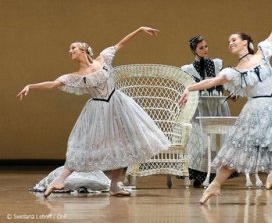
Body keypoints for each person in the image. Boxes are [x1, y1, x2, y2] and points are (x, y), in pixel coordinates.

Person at [17, 27, 171, 198]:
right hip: (98, 110)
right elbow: (53, 84)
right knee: (84, 145)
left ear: (83, 49)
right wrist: (31, 86)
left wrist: (140, 30)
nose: (70, 51)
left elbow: (121, 44)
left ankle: (114, 186)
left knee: (122, 144)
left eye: (73, 48)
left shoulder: (103, 59)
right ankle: (59, 180)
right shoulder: (76, 76)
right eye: (70, 50)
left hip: (118, 105)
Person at [179, 6, 272, 205]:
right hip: (257, 110)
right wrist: (190, 87)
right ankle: (215, 185)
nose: (230, 43)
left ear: (246, 42)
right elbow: (211, 82)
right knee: (240, 148)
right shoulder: (234, 71)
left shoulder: (262, 53)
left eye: (234, 40)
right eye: (228, 42)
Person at [181, 35, 231, 187]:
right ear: (194, 50)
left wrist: (231, 92)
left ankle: (216, 174)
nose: (205, 50)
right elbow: (188, 87)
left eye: (206, 47)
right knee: (199, 140)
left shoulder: (216, 64)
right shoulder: (187, 69)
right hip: (200, 106)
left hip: (217, 104)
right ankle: (199, 174)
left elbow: (223, 83)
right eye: (201, 48)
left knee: (218, 139)